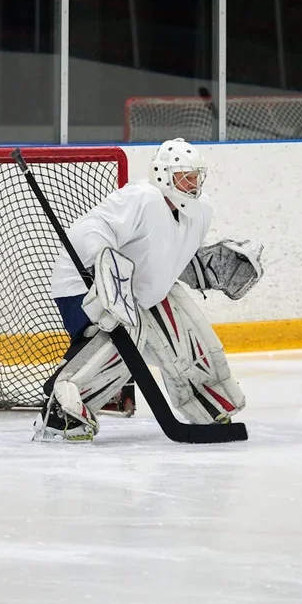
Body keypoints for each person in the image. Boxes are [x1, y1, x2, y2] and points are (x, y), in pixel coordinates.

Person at [37, 137, 264, 442]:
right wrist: (105, 271)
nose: (193, 184)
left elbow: (167, 255)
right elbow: (89, 229)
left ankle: (204, 402)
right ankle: (60, 413)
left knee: (187, 332)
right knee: (124, 337)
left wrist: (208, 267)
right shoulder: (143, 197)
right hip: (83, 286)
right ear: (163, 174)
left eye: (196, 177)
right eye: (185, 177)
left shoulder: (201, 209)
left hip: (139, 290)